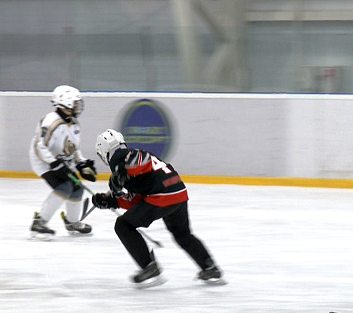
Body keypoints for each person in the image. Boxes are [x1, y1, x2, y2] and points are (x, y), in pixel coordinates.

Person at [91, 129, 224, 288]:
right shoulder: (126, 160)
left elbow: (142, 160)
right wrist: (112, 201)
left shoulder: (119, 158)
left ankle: (149, 267)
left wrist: (120, 174)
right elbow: (137, 199)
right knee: (182, 235)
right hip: (178, 192)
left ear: (104, 151)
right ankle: (209, 267)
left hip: (163, 195)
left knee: (123, 225)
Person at [27, 85, 97, 241]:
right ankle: (39, 223)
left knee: (77, 187)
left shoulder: (74, 124)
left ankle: (72, 223)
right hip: (43, 162)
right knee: (65, 187)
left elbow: (73, 148)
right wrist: (53, 163)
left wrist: (82, 164)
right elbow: (39, 146)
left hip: (60, 162)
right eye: (75, 103)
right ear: (65, 102)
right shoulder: (50, 121)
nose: (78, 106)